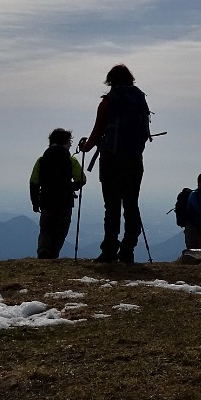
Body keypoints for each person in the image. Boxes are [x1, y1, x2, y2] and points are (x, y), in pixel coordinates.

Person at [79, 64, 152, 264]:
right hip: (134, 160)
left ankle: (109, 250)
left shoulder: (108, 103)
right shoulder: (140, 100)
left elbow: (96, 132)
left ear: (110, 81)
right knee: (131, 204)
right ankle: (128, 250)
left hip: (111, 160)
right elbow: (144, 133)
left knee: (111, 207)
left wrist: (85, 146)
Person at [31, 128, 87, 259]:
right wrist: (70, 188)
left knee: (46, 228)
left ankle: (44, 250)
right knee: (61, 229)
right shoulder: (70, 160)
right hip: (65, 201)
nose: (71, 144)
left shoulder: (42, 160)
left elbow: (34, 182)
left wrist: (35, 202)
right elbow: (82, 179)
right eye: (70, 141)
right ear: (65, 142)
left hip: (46, 200)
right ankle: (54, 253)